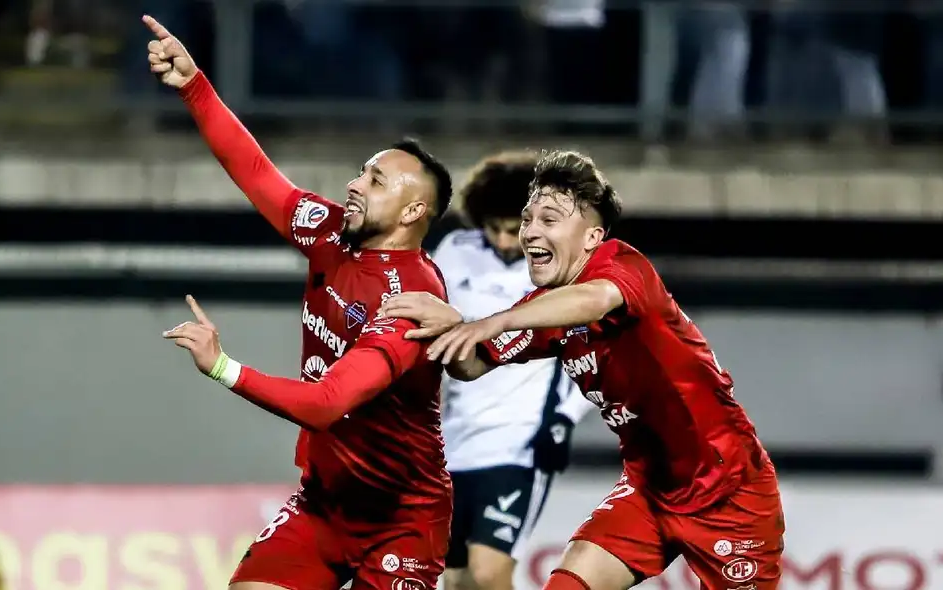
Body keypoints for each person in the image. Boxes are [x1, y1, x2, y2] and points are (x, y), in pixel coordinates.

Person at [144, 15, 455, 590]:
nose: (356, 184)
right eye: (362, 172)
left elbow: (327, 403)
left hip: (400, 520)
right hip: (324, 503)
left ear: (414, 213)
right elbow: (255, 171)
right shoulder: (330, 232)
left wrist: (222, 367)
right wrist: (194, 86)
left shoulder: (411, 299)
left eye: (377, 181)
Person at [381, 150, 785, 590]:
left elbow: (595, 299)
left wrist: (492, 320)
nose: (530, 232)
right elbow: (474, 364)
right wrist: (445, 329)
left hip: (729, 492)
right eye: (528, 219)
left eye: (548, 220)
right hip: (648, 492)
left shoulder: (623, 267)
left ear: (592, 237)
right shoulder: (544, 310)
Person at [431, 152, 592, 590]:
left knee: (490, 571)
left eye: (513, 229)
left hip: (517, 443)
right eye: (494, 228)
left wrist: (563, 419)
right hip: (451, 443)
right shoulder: (454, 253)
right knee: (455, 580)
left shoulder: (559, 269)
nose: (504, 240)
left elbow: (587, 347)